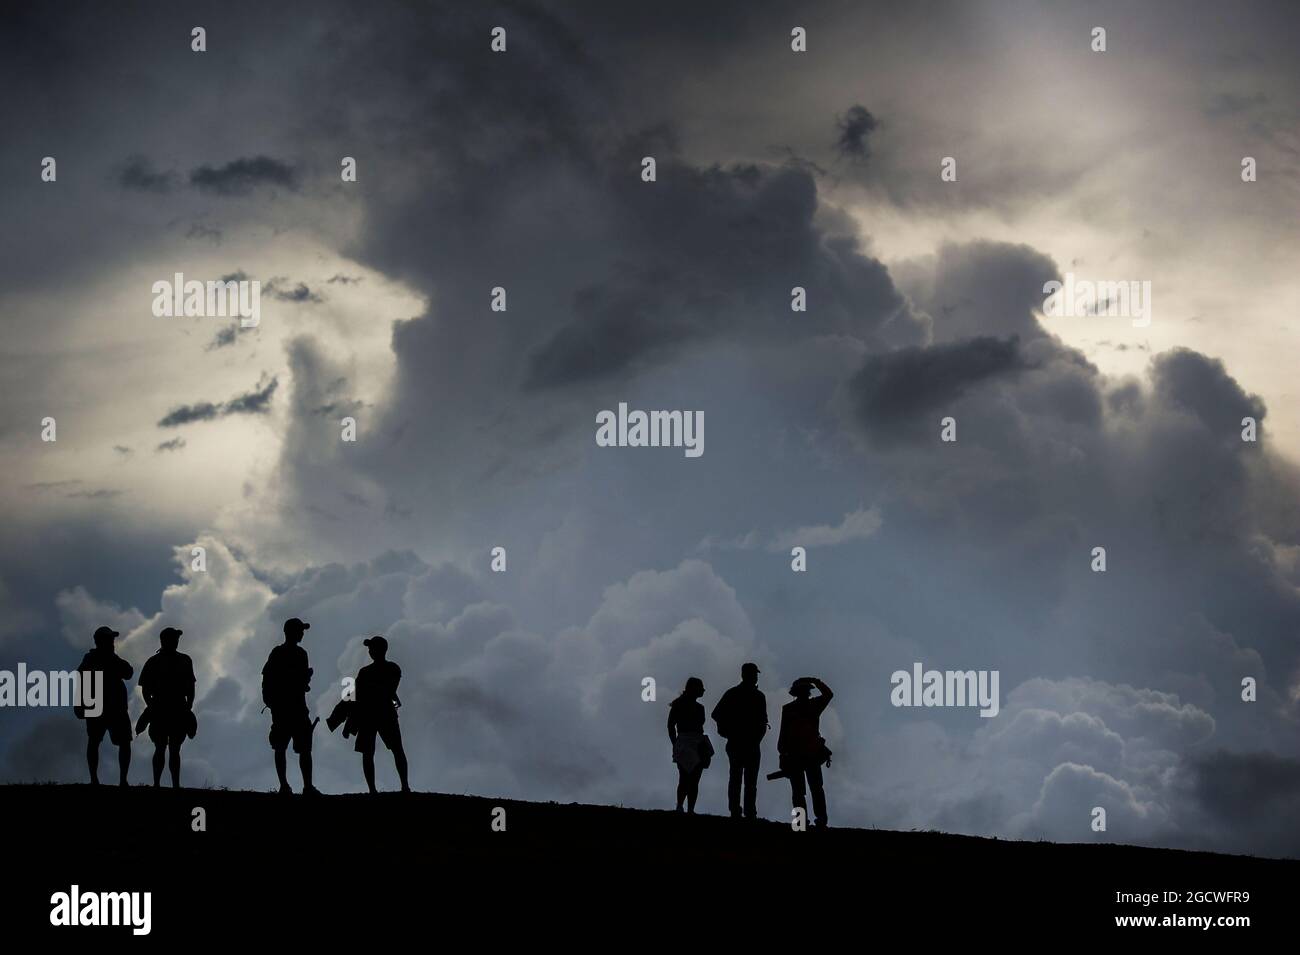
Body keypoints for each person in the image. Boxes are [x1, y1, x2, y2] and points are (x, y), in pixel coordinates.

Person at [262, 618, 319, 795]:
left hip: (292, 707)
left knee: (300, 748)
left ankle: (300, 786)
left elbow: (270, 679)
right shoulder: (284, 653)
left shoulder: (297, 653)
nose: (302, 634)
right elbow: (269, 679)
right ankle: (291, 786)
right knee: (286, 747)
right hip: (287, 707)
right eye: (300, 631)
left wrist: (305, 678)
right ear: (292, 632)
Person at [137, 627, 196, 788]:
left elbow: (190, 686)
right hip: (163, 708)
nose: (176, 642)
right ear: (165, 641)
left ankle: (173, 784)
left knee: (173, 749)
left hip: (176, 708)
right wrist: (151, 707)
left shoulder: (184, 660)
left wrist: (188, 707)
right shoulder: (154, 661)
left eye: (176, 639)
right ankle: (159, 783)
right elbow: (145, 689)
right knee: (162, 747)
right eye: (173, 639)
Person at [76, 626, 134, 787]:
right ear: (100, 641)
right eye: (109, 639)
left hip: (116, 708)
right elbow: (81, 679)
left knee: (123, 742)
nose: (112, 642)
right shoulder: (91, 658)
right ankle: (94, 779)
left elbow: (128, 672)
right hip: (98, 707)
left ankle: (123, 780)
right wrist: (79, 704)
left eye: (112, 639)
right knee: (94, 741)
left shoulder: (112, 659)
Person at [353, 635, 410, 794]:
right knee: (393, 750)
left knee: (371, 752)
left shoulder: (365, 672)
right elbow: (389, 691)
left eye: (371, 648)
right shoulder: (393, 669)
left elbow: (352, 696)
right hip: (383, 713)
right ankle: (403, 786)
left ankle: (375, 789)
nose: (370, 651)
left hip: (372, 715)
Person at [710, 662, 768, 819]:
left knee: (737, 778)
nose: (755, 677)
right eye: (754, 674)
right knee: (748, 781)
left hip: (738, 742)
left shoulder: (733, 693)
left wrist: (727, 731)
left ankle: (737, 810)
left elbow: (716, 714)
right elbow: (763, 721)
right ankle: (747, 811)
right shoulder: (757, 696)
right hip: (749, 743)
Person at [777, 677, 834, 828]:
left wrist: (782, 754)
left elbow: (829, 695)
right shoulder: (806, 706)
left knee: (807, 791)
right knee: (805, 791)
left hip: (806, 754)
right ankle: (811, 821)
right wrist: (782, 754)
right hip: (799, 755)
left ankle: (811, 822)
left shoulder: (806, 706)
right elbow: (783, 734)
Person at [666, 677, 713, 813]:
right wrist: (675, 742)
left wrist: (675, 742)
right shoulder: (691, 707)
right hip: (689, 743)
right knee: (691, 779)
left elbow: (670, 725)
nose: (703, 690)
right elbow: (670, 725)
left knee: (688, 778)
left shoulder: (682, 705)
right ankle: (685, 807)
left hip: (690, 743)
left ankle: (685, 807)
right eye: (700, 688)